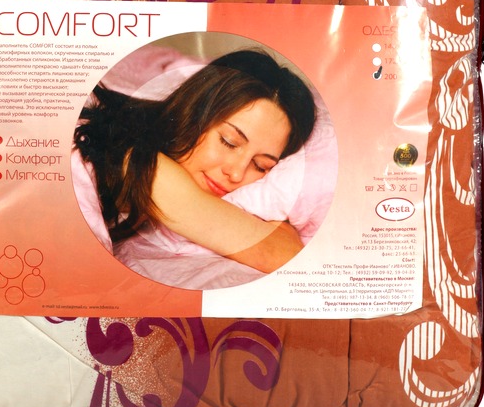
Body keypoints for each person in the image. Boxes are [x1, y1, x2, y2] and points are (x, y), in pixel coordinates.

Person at [74, 49, 317, 273]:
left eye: (260, 166)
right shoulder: (139, 160)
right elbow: (281, 254)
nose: (236, 173)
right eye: (229, 142)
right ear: (193, 111)